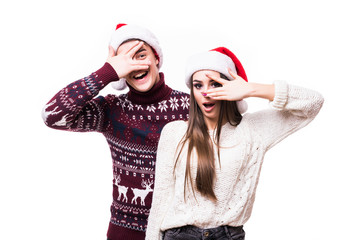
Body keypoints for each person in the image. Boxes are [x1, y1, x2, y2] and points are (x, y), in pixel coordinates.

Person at [145, 47, 324, 240]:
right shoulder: (175, 132)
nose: (206, 92)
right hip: (180, 235)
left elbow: (313, 103)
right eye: (198, 85)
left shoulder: (252, 130)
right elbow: (161, 201)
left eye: (215, 84)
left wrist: (251, 89)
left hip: (227, 235)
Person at [42, 23, 190, 240]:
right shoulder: (112, 110)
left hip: (180, 231)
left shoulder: (190, 107)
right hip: (126, 232)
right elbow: (52, 116)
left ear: (156, 58)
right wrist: (106, 73)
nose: (136, 66)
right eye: (125, 61)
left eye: (141, 55)